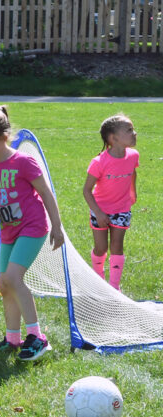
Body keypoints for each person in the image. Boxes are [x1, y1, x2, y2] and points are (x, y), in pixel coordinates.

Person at [0, 106, 64, 362]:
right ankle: (13, 338)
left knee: (12, 277)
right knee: (4, 284)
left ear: (4, 136)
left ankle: (37, 337)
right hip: (8, 232)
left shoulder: (23, 161)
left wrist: (57, 226)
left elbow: (46, 193)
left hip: (32, 227)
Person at [83, 114, 138, 290]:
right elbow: (86, 190)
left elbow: (132, 172)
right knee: (101, 248)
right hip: (100, 210)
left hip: (122, 209)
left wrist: (132, 191)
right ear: (114, 138)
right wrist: (98, 213)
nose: (134, 133)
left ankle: (113, 288)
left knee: (117, 246)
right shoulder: (99, 162)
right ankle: (99, 282)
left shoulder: (133, 155)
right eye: (129, 130)